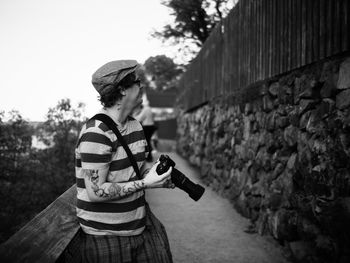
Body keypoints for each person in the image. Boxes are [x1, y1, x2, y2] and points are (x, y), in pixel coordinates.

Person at [75, 60, 174, 263]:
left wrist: (157, 176)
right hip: (106, 236)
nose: (142, 86)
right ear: (122, 90)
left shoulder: (136, 126)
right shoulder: (96, 132)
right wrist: (146, 184)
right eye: (137, 82)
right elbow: (96, 192)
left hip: (141, 227)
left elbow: (139, 172)